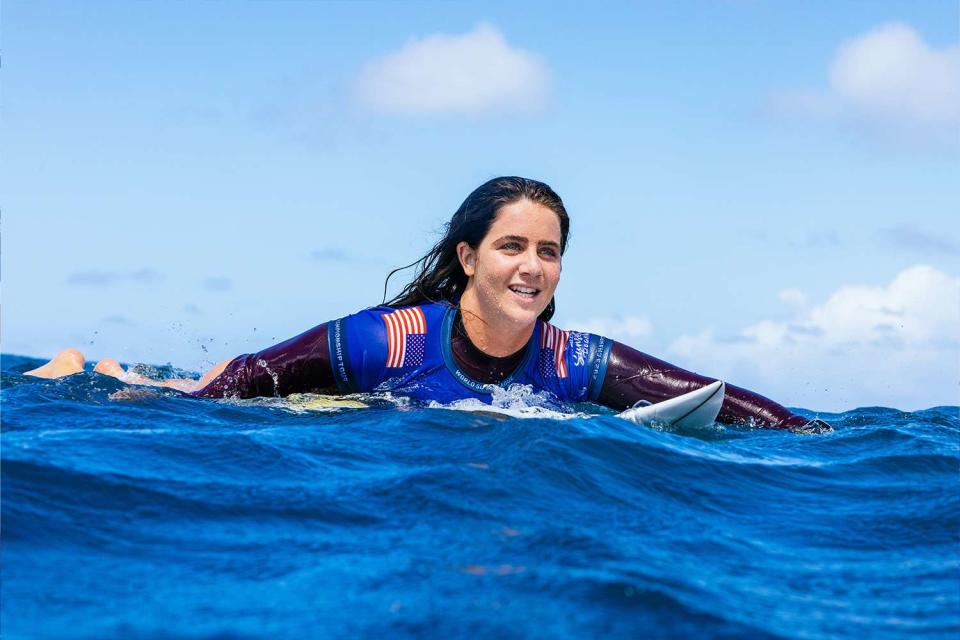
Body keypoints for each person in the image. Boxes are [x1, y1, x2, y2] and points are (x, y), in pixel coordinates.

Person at [27, 177, 830, 432]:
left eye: (548, 251)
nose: (532, 268)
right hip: (317, 404)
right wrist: (139, 402)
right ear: (468, 258)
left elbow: (710, 400)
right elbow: (244, 382)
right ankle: (87, 367)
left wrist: (811, 434)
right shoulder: (384, 342)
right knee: (184, 393)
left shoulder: (573, 360)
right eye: (513, 247)